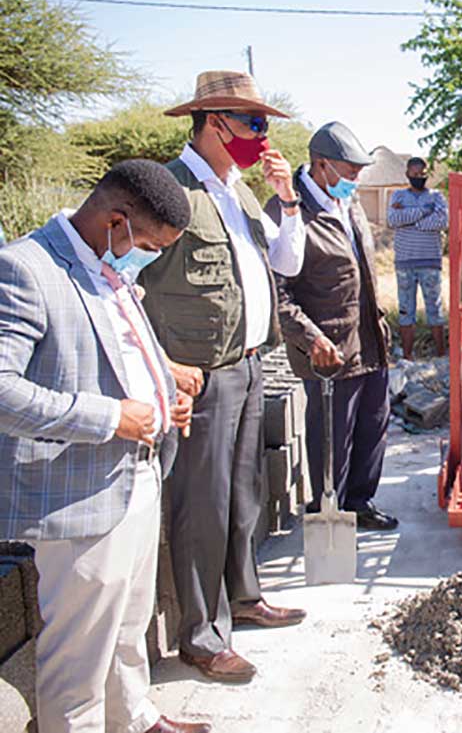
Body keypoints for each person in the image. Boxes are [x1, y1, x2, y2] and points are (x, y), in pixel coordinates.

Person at [0, 160, 208, 732]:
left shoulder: (104, 266)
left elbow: (118, 352)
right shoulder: (26, 269)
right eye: (146, 244)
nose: (148, 257)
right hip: (80, 490)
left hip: (137, 475)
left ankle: (134, 717)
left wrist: (166, 398)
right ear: (115, 220)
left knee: (128, 620)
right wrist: (112, 416)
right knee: (80, 652)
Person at [139, 71, 307, 684]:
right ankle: (201, 638)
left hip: (249, 363)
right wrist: (161, 367)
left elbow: (285, 262)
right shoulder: (169, 190)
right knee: (199, 507)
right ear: (215, 122)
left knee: (243, 496)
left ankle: (243, 597)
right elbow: (126, 285)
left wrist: (287, 200)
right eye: (254, 124)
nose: (262, 137)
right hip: (200, 375)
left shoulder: (237, 190)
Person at [267, 122, 397, 532]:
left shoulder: (350, 204)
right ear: (321, 165)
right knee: (331, 440)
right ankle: (329, 513)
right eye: (350, 171)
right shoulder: (288, 211)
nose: (355, 180)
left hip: (369, 342)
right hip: (329, 349)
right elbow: (278, 293)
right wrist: (312, 337)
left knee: (372, 427)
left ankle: (359, 502)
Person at [388, 156, 448, 360]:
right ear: (407, 175)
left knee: (435, 309)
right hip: (405, 262)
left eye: (422, 174)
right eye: (414, 175)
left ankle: (441, 355)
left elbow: (442, 220)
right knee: (406, 311)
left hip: (430, 261)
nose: (418, 178)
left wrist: (411, 219)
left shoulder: (437, 196)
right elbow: (393, 219)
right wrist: (424, 212)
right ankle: (407, 356)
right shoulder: (398, 195)